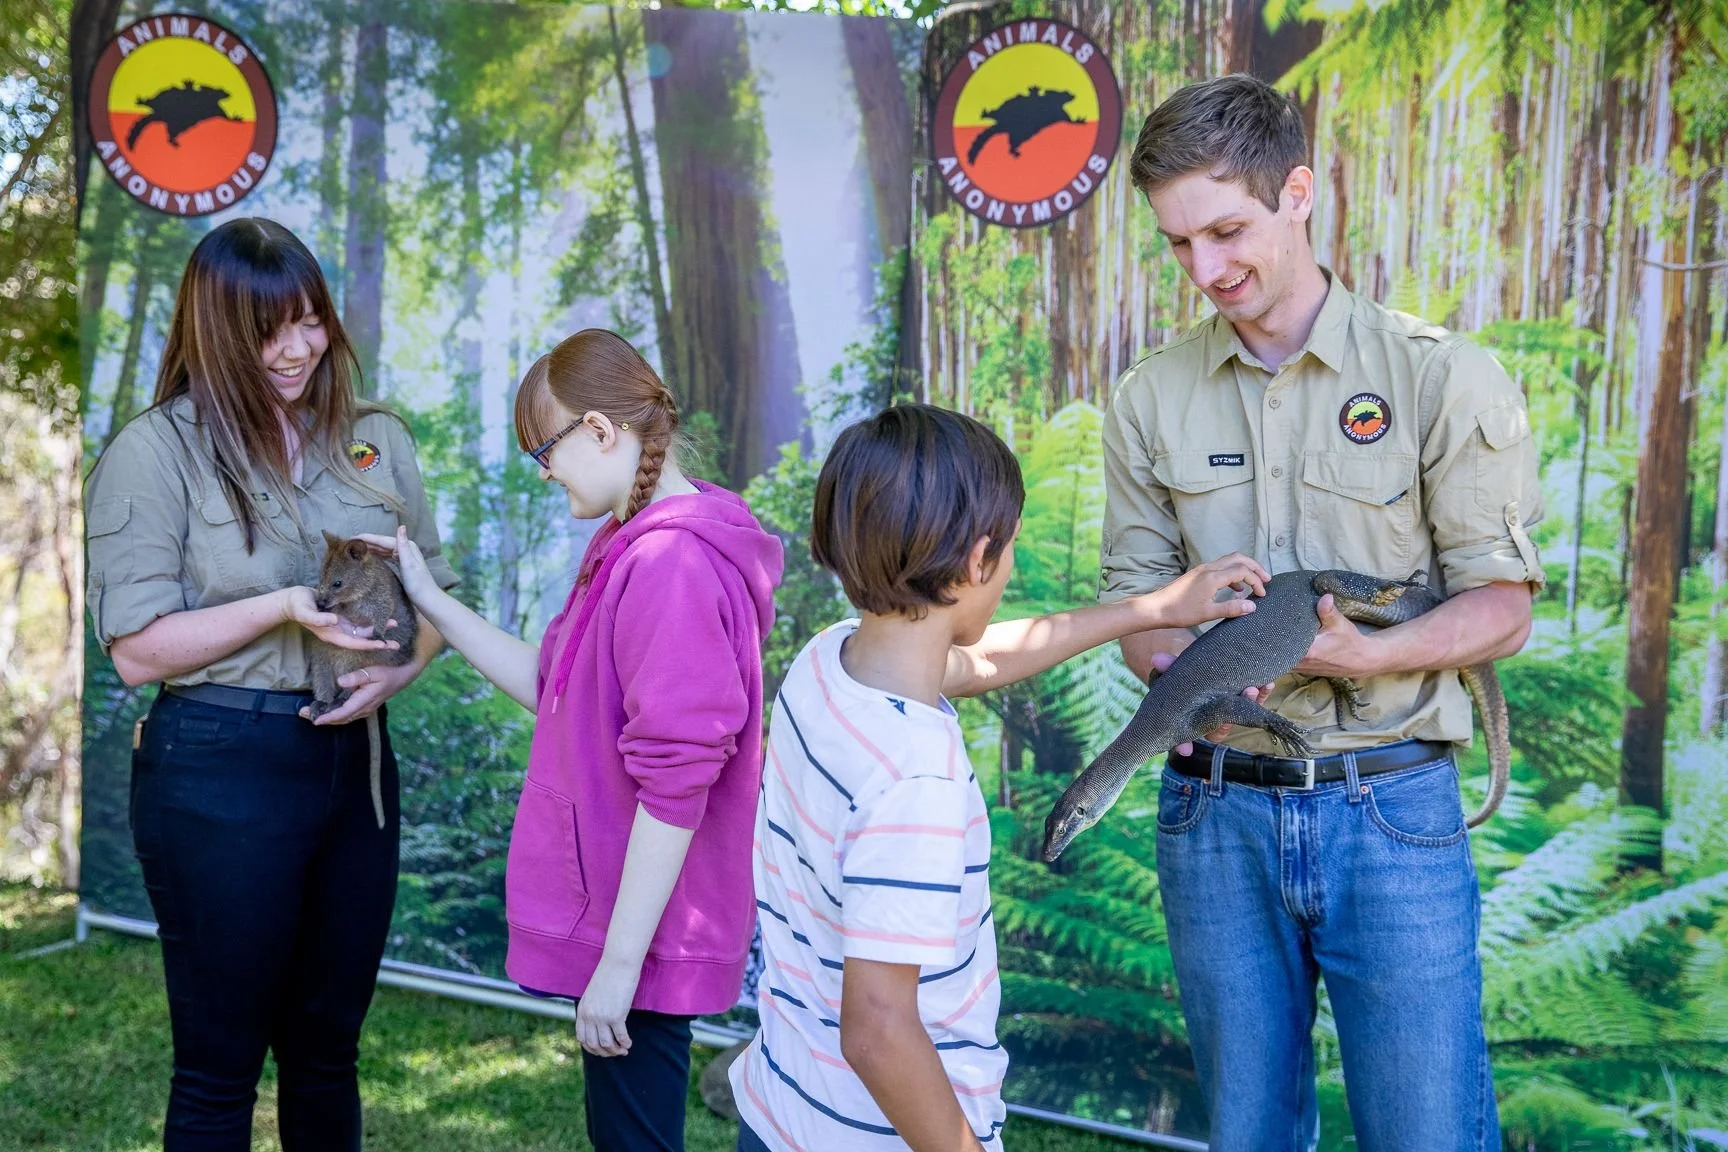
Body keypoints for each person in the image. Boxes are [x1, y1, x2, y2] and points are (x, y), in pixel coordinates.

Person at [1102, 74, 1545, 1150]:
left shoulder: (1441, 376)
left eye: (1227, 230)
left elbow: (1502, 608)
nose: (1206, 271)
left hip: (1390, 813)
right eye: (1177, 246)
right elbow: (1138, 610)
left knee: (1427, 1131)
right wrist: (1181, 661)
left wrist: (1359, 654)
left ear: (1297, 192)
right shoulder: (1149, 397)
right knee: (1249, 1133)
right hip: (1214, 819)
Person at [730, 403, 1271, 1152]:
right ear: (979, 559)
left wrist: (1148, 609)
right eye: (1009, 549)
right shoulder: (916, 775)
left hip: (782, 1113)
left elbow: (978, 662)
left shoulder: (829, 663)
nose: (1010, 566)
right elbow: (879, 1029)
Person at [84, 217, 457, 1150]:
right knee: (219, 1069)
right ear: (216, 331)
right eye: (267, 331)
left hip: (355, 764)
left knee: (328, 1051)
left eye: (310, 322)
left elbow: (435, 603)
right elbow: (134, 649)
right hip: (217, 767)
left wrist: (392, 681)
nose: (295, 351)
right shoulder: (157, 450)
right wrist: (285, 602)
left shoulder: (374, 441)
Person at [373, 328, 783, 1152]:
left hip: (645, 939)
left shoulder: (670, 563)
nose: (544, 470)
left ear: (600, 431)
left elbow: (676, 786)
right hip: (631, 933)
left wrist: (621, 966)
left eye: (546, 449)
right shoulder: (629, 544)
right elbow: (552, 686)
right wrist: (431, 601)